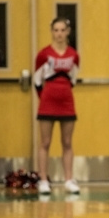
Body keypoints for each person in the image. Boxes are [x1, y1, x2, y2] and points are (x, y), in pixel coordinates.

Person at [33, 18, 81, 195]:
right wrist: (45, 98)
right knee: (45, 142)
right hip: (47, 103)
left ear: (68, 31)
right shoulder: (43, 54)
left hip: (67, 102)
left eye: (62, 30)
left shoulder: (73, 55)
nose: (59, 33)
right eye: (56, 30)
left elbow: (73, 79)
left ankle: (69, 179)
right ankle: (43, 180)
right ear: (52, 32)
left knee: (67, 142)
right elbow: (37, 81)